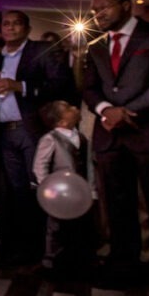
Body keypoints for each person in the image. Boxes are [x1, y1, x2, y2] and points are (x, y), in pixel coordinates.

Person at [82, 0, 149, 288]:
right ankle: (124, 266)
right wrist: (107, 110)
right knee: (117, 205)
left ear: (125, 5)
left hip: (148, 132)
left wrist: (127, 111)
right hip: (109, 136)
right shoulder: (95, 46)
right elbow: (90, 88)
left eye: (104, 7)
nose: (98, 14)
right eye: (95, 10)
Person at [0, 9, 74, 264]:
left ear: (27, 28)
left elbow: (62, 85)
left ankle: (51, 250)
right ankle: (22, 249)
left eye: (17, 24)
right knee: (15, 193)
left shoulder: (41, 51)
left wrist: (21, 86)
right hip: (5, 133)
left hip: (33, 130)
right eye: (6, 24)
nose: (11, 28)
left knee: (41, 188)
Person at [33, 100, 93, 274]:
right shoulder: (50, 138)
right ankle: (51, 261)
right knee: (56, 227)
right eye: (68, 108)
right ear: (62, 122)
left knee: (78, 226)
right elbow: (40, 165)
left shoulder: (81, 138)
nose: (75, 107)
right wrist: (46, 188)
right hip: (58, 193)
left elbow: (87, 164)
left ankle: (75, 261)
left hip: (77, 193)